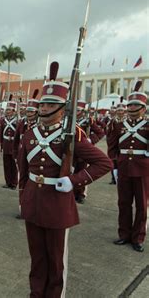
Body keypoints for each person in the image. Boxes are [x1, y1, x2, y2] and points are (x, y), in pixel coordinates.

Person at [18, 65, 112, 297]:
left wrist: (75, 181)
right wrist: (23, 199)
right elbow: (23, 172)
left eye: (50, 105)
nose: (44, 108)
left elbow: (105, 163)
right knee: (37, 259)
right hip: (33, 203)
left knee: (56, 261)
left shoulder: (72, 136)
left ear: (62, 109)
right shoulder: (29, 135)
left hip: (57, 205)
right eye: (43, 104)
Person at [108, 81, 148, 253]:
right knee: (123, 203)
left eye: (136, 105)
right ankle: (124, 234)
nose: (132, 108)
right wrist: (115, 163)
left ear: (143, 108)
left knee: (142, 205)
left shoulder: (147, 125)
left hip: (142, 169)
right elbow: (112, 145)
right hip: (124, 167)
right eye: (130, 105)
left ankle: (138, 237)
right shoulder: (119, 125)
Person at [0, 99, 19, 190]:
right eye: (6, 110)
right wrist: (1, 144)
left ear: (13, 111)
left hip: (14, 145)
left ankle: (14, 183)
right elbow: (1, 133)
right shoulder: (4, 121)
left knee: (14, 165)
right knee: (6, 164)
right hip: (6, 144)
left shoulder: (18, 121)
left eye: (9, 110)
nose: (7, 111)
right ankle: (8, 182)